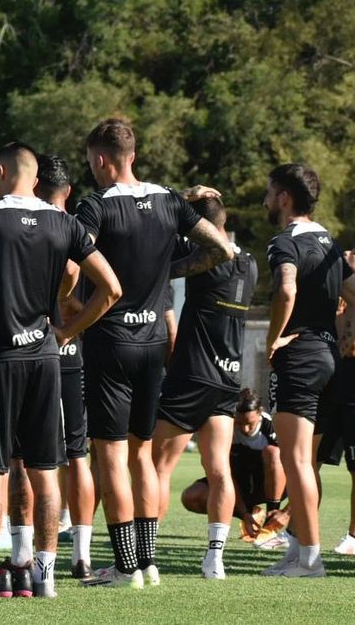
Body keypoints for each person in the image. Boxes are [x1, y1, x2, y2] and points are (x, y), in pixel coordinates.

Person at [0, 143, 121, 599]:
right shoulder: (63, 222)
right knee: (47, 470)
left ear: (3, 171)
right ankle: (45, 577)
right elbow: (108, 287)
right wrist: (67, 330)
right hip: (45, 357)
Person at [74, 118, 232, 588]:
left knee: (111, 456)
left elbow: (67, 264)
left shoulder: (95, 206)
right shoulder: (168, 199)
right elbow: (221, 249)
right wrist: (169, 272)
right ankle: (148, 563)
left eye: (91, 162)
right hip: (151, 345)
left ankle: (125, 568)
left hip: (110, 340)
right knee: (143, 455)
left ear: (101, 159)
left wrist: (68, 309)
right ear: (133, 155)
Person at [150, 194, 256, 579]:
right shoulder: (251, 263)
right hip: (228, 379)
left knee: (157, 467)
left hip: (191, 374)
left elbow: (170, 238)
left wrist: (184, 204)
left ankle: (146, 556)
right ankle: (215, 558)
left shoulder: (207, 258)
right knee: (219, 470)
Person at [261, 163, 355, 577]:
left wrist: (274, 338)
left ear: (284, 198)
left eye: (269, 191)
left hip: (299, 357)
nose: (265, 199)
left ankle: (311, 561)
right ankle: (298, 552)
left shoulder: (285, 241)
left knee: (295, 461)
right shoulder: (330, 242)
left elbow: (285, 288)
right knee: (308, 462)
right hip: (330, 358)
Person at [180, 389, 288, 539]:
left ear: (260, 412)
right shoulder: (224, 428)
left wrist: (285, 512)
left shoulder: (272, 427)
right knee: (191, 497)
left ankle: (270, 522)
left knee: (273, 453)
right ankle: (251, 516)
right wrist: (244, 513)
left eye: (250, 424)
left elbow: (300, 469)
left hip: (268, 486)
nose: (244, 429)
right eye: (240, 423)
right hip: (237, 484)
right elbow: (224, 473)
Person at [322, 253, 355, 554]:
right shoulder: (340, 303)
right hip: (336, 376)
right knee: (313, 455)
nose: (347, 257)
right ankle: (292, 530)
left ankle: (353, 537)